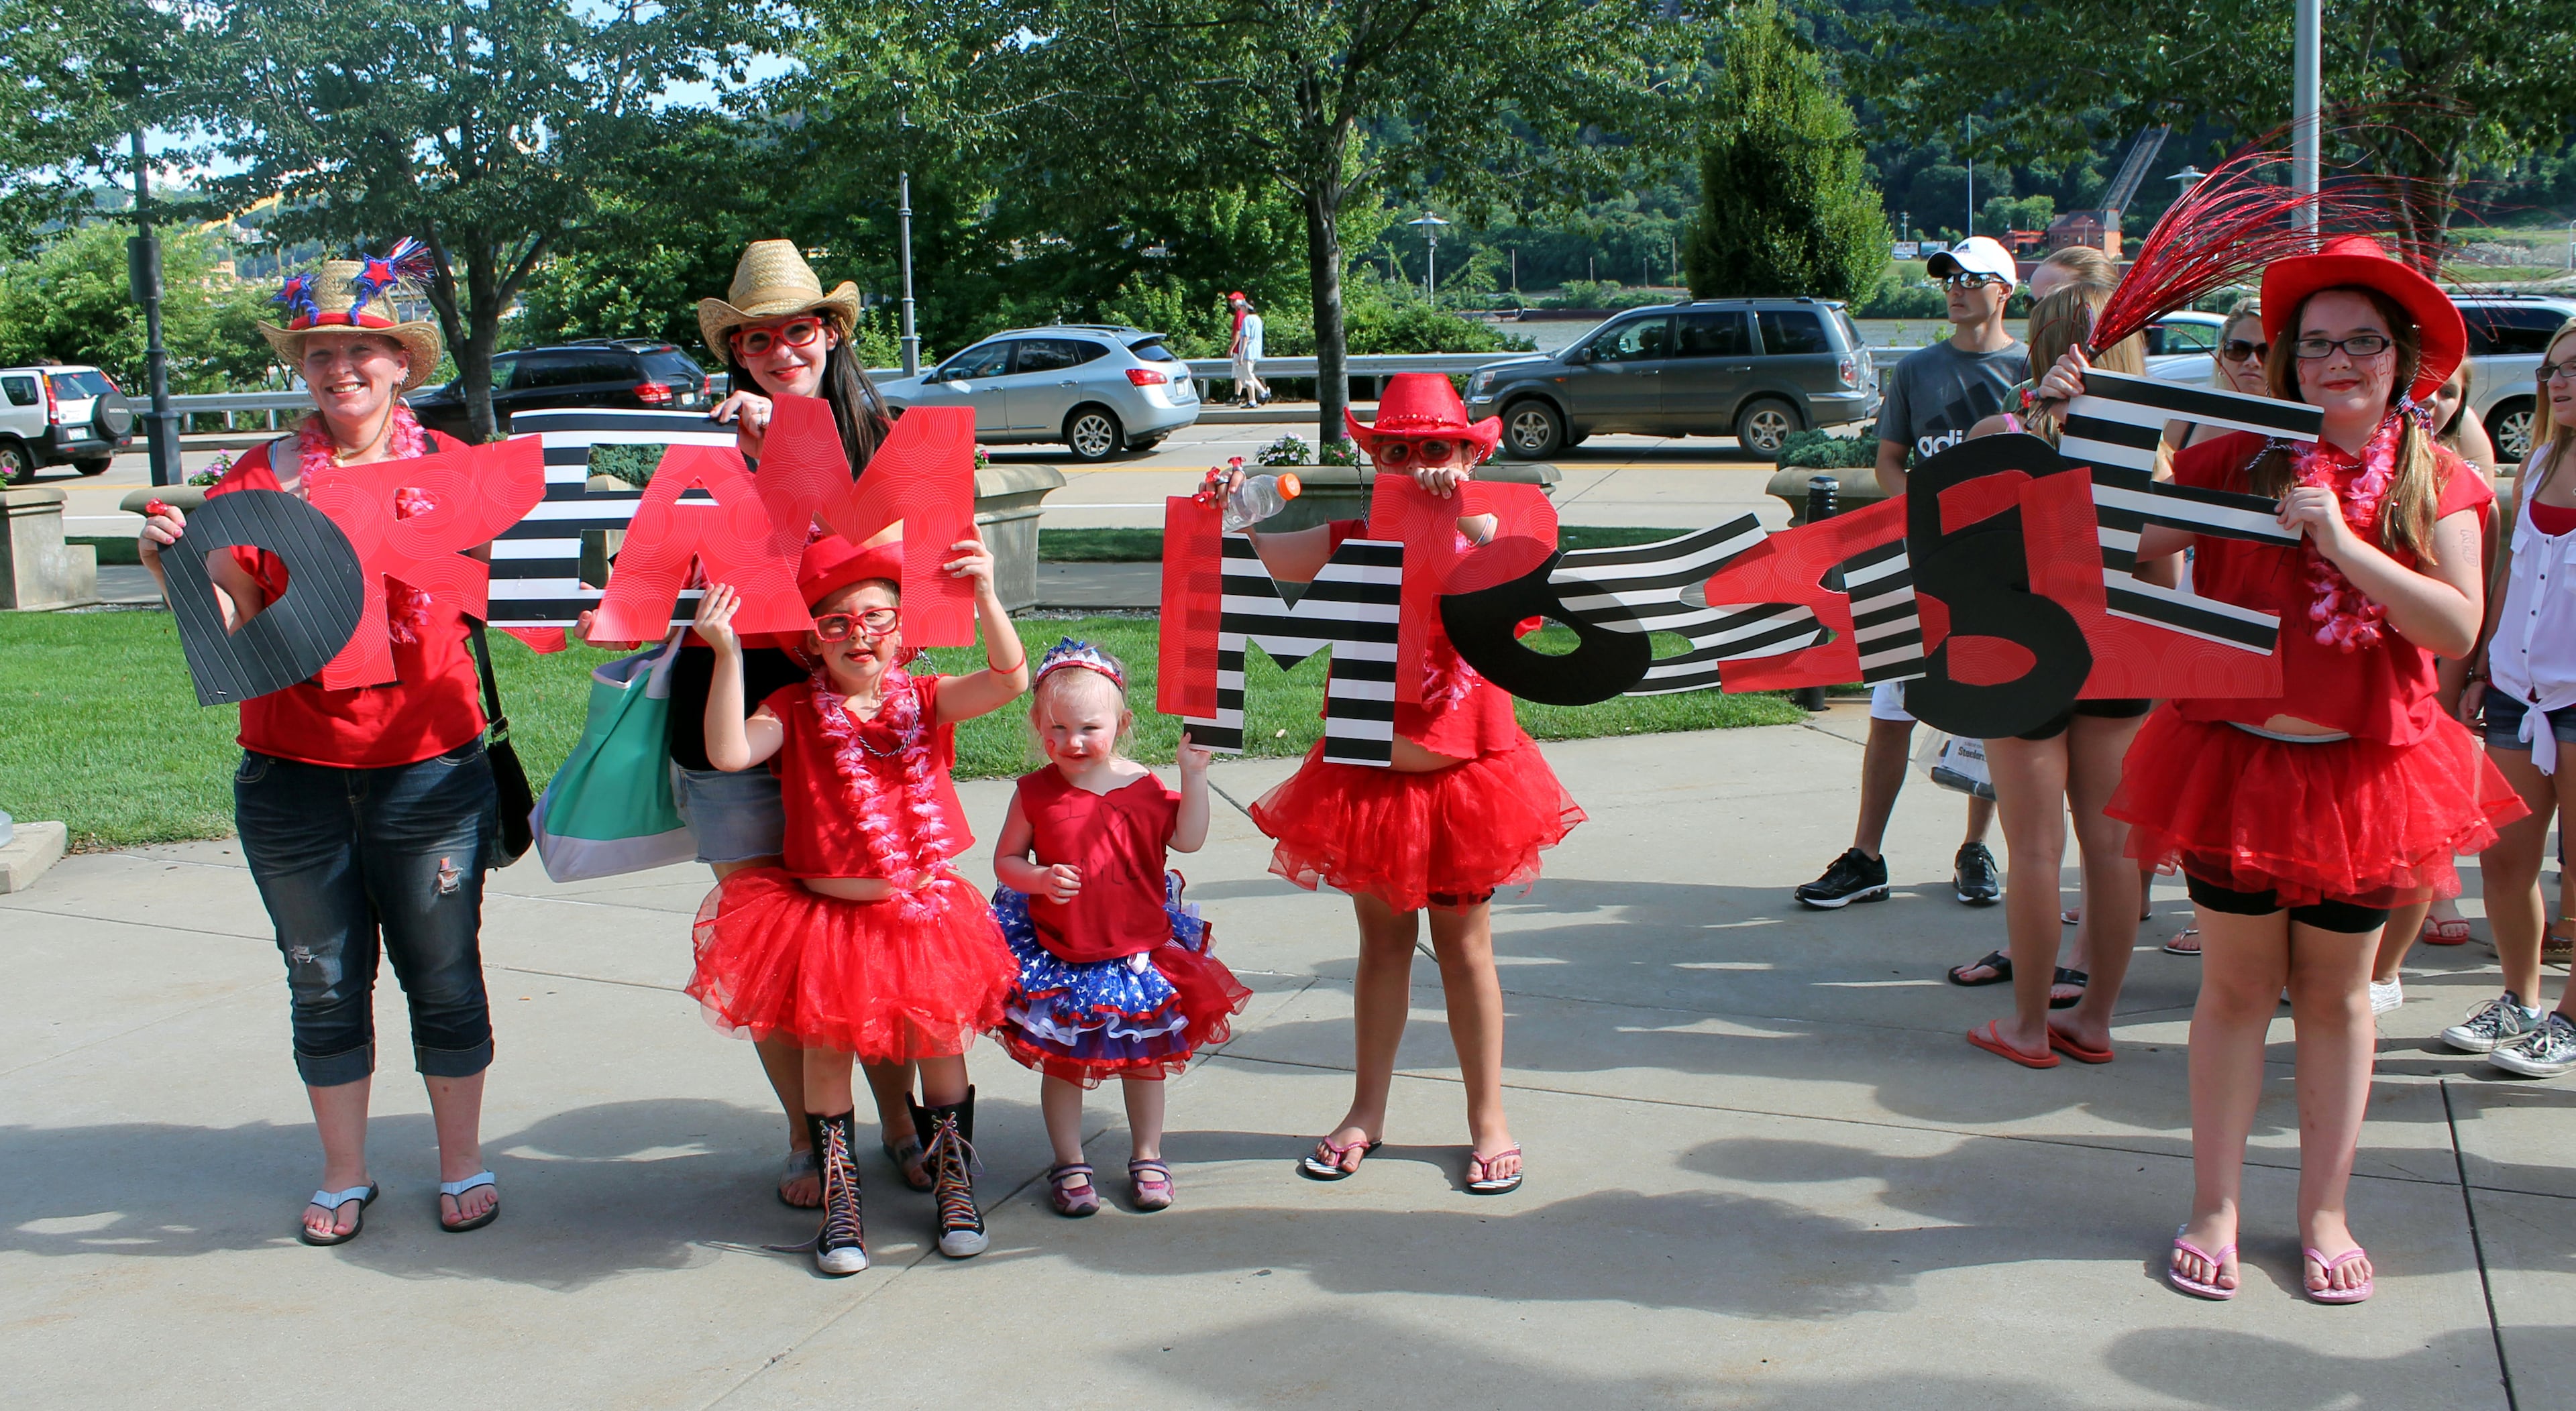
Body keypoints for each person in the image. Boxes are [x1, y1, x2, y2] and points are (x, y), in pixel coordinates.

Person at [2043, 235, 2521, 1302]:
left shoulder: (2437, 478)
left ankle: (2323, 1212)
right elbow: (2119, 538)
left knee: (2338, 1002)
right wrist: (2083, 426)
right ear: (2286, 361)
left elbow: (2452, 627)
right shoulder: (2235, 456)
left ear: (2401, 360)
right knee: (2235, 990)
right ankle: (2215, 1202)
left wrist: (2347, 545)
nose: (2337, 363)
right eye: (2313, 346)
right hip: (2233, 764)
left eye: (2361, 343)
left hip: (2366, 779)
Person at [139, 246, 506, 1244]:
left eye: (360, 349)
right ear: (303, 370)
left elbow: (503, 597)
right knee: (322, 973)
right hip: (292, 773)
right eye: (319, 353)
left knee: (444, 969)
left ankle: (460, 1161)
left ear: (400, 361)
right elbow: (247, 616)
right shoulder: (262, 478)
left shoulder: (456, 475)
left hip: (431, 767)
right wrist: (185, 565)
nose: (339, 367)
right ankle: (345, 1171)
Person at [576, 240, 921, 1210]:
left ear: (831, 334)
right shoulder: (700, 451)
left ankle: (899, 1124)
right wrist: (613, 607)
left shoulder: (883, 439)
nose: (778, 350)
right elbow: (657, 575)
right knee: (774, 947)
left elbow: (896, 571)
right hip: (725, 718)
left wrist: (792, 446)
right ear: (735, 352)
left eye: (797, 330)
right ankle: (816, 1139)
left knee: (871, 938)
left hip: (853, 731)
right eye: (756, 338)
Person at [1224, 373, 1585, 1195]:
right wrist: (1231, 507)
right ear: (1372, 458)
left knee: (1465, 948)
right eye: (1396, 449)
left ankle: (1488, 1119)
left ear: (1467, 454)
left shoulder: (1486, 534)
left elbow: (1528, 571)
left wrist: (1461, 510)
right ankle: (1366, 1112)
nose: (1416, 462)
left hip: (1466, 784)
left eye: (1435, 446)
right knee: (1381, 946)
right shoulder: (1350, 538)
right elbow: (1244, 568)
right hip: (1371, 782)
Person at [684, 534, 1029, 1273]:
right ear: (812, 643)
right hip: (830, 923)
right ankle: (843, 1201)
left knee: (939, 1046)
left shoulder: (926, 700)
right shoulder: (793, 708)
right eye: (835, 625)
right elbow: (728, 754)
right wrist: (727, 657)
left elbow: (1008, 681)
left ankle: (955, 1182)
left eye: (876, 618)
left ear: (902, 629)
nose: (858, 636)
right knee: (828, 1055)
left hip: (925, 912)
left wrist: (989, 595)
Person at [1955, 285, 2153, 1068]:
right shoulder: (2150, 447)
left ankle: (2030, 1026)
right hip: (2117, 654)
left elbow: (1965, 555)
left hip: (2020, 654)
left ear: (2037, 346)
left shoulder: (1997, 432)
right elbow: (2162, 572)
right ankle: (2096, 1019)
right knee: (2112, 849)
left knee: (2033, 849)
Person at [1797, 235, 2021, 911]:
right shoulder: (1918, 371)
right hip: (1920, 561)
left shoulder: (2035, 371)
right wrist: (1920, 509)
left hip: (2004, 570)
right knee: (1891, 707)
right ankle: (1867, 856)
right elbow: (1891, 458)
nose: (1955, 288)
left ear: (2004, 290)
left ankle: (1975, 848)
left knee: (1992, 711)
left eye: (1971, 278)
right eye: (1947, 276)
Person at [991, 640, 1251, 1215]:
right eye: (1056, 728)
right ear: (1037, 724)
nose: (1072, 742)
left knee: (1145, 1059)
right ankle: (1069, 1162)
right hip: (1063, 952)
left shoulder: (1145, 786)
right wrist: (1035, 879)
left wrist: (1194, 775)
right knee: (1063, 1061)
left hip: (1136, 950)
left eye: (1089, 728)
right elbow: (1006, 860)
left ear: (1122, 724)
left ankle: (1148, 1154)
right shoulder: (1035, 792)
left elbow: (1189, 839)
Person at [2448, 315, 2576, 1078]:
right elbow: (2503, 577)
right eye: (2553, 370)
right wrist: (2479, 667)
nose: (2560, 382)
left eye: (2575, 368)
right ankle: (2519, 998)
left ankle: (2570, 1017)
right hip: (2515, 691)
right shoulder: (2533, 467)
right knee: (2505, 861)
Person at [2369, 355, 2508, 1001]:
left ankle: (2390, 964)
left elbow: (2478, 595)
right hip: (2370, 666)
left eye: (2451, 393)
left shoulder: (2460, 481)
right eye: (2427, 389)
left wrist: (2471, 674)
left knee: (2424, 814)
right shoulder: (2363, 466)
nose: (2436, 402)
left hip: (2436, 666)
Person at [2164, 296, 2273, 451]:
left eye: (2266, 352)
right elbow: (2158, 473)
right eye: (2239, 349)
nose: (2252, 361)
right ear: (2221, 356)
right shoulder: (2188, 417)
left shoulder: (2293, 432)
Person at [1229, 293, 1271, 407]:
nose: (1241, 308)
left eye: (1242, 306)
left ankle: (1261, 394)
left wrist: (1241, 355)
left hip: (1248, 351)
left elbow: (1245, 338)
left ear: (1246, 308)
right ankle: (1254, 399)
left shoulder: (1247, 319)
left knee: (1248, 375)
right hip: (1256, 351)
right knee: (1248, 375)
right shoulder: (1258, 319)